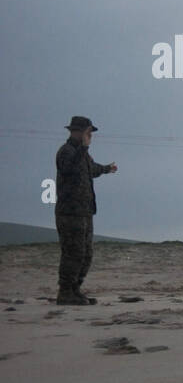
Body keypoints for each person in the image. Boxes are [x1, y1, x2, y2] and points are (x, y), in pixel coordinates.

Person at [55, 116, 116, 305]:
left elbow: (92, 169)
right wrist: (83, 148)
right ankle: (65, 292)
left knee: (86, 254)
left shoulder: (83, 154)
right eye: (88, 133)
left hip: (85, 211)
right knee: (73, 252)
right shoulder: (66, 151)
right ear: (78, 132)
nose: (90, 137)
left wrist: (107, 168)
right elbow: (69, 169)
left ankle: (75, 290)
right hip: (69, 212)